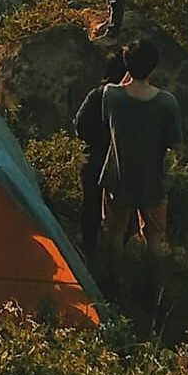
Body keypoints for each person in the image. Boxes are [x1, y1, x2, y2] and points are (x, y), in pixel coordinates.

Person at [98, 38, 181, 259]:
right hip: (152, 179)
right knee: (154, 237)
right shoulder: (167, 102)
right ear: (154, 66)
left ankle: (113, 282)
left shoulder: (110, 95)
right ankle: (151, 286)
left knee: (115, 232)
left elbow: (107, 122)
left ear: (126, 65)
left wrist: (130, 75)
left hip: (118, 175)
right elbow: (174, 141)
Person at [74, 53, 131, 255]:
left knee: (91, 208)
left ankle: (89, 252)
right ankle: (115, 257)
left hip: (94, 159)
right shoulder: (136, 100)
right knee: (121, 216)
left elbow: (79, 126)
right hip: (124, 165)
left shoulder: (98, 94)